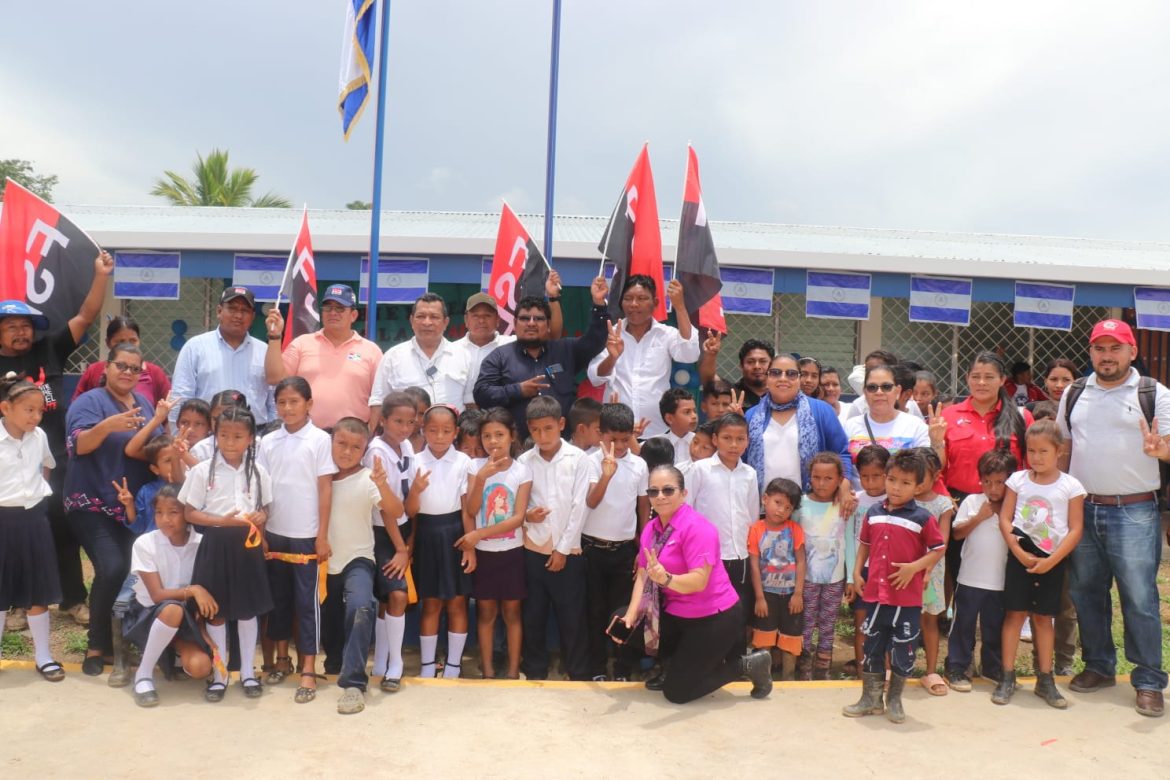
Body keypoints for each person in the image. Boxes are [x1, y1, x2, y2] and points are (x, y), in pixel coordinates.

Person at [1058, 319, 1169, 717]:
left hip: (1135, 510)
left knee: (1139, 598)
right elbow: (1064, 450)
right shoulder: (1074, 393)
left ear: (1132, 352)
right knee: (1087, 592)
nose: (1107, 356)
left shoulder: (1155, 394)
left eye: (1115, 348)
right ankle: (1100, 666)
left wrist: (1161, 451)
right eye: (1099, 349)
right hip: (1083, 509)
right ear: (1091, 353)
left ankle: (1148, 679)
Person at [0, 252, 114, 628]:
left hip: (56, 461)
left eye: (26, 325)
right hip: (9, 464)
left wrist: (100, 275)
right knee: (14, 534)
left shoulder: (50, 348)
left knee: (64, 529)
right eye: (12, 326)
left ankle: (71, 599)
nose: (22, 332)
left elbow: (86, 315)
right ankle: (16, 604)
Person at [616, 465, 773, 703]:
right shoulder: (651, 528)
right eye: (653, 491)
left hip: (713, 618)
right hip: (676, 614)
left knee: (677, 693)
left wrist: (666, 578)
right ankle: (673, 666)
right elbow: (642, 574)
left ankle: (747, 665)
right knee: (620, 622)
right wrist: (630, 615)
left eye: (668, 490)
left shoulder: (698, 528)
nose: (660, 496)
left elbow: (699, 582)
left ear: (683, 493)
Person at [65, 343, 159, 676]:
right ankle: (96, 646)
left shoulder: (146, 405)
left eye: (135, 368)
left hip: (132, 509)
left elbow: (153, 449)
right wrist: (107, 426)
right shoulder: (89, 402)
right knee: (112, 566)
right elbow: (78, 445)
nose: (128, 373)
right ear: (106, 367)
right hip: (91, 504)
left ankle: (124, 643)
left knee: (131, 574)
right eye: (122, 366)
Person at [178, 406, 274, 702]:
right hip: (216, 545)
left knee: (247, 611)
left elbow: (266, 507)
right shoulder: (201, 470)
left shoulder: (258, 470)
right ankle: (220, 675)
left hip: (247, 546)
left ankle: (247, 672)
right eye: (223, 435)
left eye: (237, 436)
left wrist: (260, 516)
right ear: (215, 435)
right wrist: (222, 520)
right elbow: (190, 513)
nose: (230, 442)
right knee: (215, 613)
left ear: (250, 439)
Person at [844, 449, 945, 724]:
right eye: (892, 480)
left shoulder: (922, 518)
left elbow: (938, 548)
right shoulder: (873, 513)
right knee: (872, 646)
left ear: (918, 486)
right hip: (875, 594)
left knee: (903, 648)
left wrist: (915, 567)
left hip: (906, 599)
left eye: (905, 483)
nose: (896, 487)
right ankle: (870, 698)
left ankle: (895, 700)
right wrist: (856, 571)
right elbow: (864, 544)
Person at [992, 420, 1085, 708]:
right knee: (1014, 615)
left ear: (1059, 451)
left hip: (1052, 561)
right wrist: (1018, 552)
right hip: (1020, 557)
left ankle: (1045, 679)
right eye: (1031, 451)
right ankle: (1007, 677)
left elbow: (1075, 529)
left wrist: (1052, 561)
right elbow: (1005, 519)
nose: (1037, 457)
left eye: (1044, 451)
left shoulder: (1071, 486)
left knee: (1044, 619)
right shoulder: (1017, 480)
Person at [935, 353, 1031, 628]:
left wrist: (1013, 505)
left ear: (1002, 380)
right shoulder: (949, 415)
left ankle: (995, 627)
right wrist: (944, 497)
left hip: (1004, 503)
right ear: (967, 378)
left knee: (998, 563)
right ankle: (951, 621)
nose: (981, 382)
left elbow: (1027, 465)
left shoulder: (1020, 418)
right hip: (957, 501)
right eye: (975, 376)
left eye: (989, 377)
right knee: (956, 563)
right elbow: (938, 465)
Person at [257, 376, 336, 703]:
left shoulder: (318, 440)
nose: (287, 408)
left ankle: (307, 667)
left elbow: (324, 489)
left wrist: (321, 535)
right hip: (275, 532)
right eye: (282, 402)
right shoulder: (268, 441)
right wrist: (260, 533)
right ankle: (280, 661)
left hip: (306, 536)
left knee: (307, 606)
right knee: (277, 601)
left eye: (294, 402)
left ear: (309, 404)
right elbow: (261, 489)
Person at [324, 417, 405, 715]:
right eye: (341, 444)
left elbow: (395, 511)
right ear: (330, 442)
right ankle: (334, 662)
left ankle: (354, 684)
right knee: (329, 624)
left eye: (355, 447)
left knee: (361, 607)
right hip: (322, 563)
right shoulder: (320, 476)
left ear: (365, 450)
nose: (347, 452)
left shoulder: (368, 478)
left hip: (358, 560)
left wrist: (383, 485)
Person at [474, 277, 609, 439]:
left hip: (562, 449)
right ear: (515, 324)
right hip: (517, 450)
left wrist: (599, 304)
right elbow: (481, 394)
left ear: (548, 324)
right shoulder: (499, 357)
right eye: (525, 318)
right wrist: (517, 390)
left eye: (538, 319)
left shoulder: (566, 350)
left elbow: (595, 342)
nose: (531, 323)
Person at [517, 396, 591, 681]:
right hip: (533, 548)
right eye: (535, 430)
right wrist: (526, 517)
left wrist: (561, 550)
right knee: (533, 614)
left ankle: (578, 670)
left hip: (568, 552)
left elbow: (579, 507)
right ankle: (535, 669)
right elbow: (515, 505)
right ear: (528, 429)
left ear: (561, 424)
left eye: (548, 428)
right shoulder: (524, 461)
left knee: (572, 615)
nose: (542, 436)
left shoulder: (578, 459)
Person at [454, 408, 531, 679]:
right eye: (487, 436)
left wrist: (478, 535)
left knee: (512, 612)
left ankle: (511, 671)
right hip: (485, 555)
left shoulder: (522, 470)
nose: (493, 441)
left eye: (499, 434)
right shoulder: (474, 467)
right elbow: (472, 510)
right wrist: (483, 478)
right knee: (485, 612)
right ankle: (486, 670)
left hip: (511, 552)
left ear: (512, 436)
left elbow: (519, 517)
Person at [123, 485, 215, 707]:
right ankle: (143, 676)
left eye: (173, 512)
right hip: (149, 614)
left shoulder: (202, 544)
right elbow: (157, 595)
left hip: (186, 618)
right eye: (158, 512)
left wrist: (204, 632)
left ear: (188, 513)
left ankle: (172, 650)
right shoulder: (145, 543)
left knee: (201, 668)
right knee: (172, 608)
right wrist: (192, 590)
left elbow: (207, 599)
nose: (164, 519)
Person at [0, 372, 64, 682]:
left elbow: (46, 467)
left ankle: (43, 656)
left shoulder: (39, 437)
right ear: (5, 408)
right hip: (2, 519)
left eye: (40, 410)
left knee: (39, 591)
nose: (36, 416)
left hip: (34, 520)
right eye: (28, 409)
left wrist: (39, 500)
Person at [581, 403, 649, 681]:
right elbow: (592, 501)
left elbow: (643, 507)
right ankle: (597, 667)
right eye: (613, 439)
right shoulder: (589, 461)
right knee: (594, 611)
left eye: (625, 439)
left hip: (624, 551)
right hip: (592, 549)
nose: (619, 446)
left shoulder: (639, 464)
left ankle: (622, 668)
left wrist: (644, 547)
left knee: (623, 612)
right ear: (601, 434)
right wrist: (606, 475)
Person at [409, 404, 475, 679]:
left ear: (456, 433)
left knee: (457, 602)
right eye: (433, 430)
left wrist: (469, 546)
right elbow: (410, 512)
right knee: (431, 603)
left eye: (446, 431)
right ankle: (426, 665)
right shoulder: (414, 462)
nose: (439, 436)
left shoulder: (463, 462)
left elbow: (467, 508)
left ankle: (454, 666)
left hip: (455, 535)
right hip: (424, 534)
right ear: (423, 431)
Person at [586, 276, 699, 437]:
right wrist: (612, 357)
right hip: (617, 432)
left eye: (642, 298)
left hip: (659, 432)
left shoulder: (666, 334)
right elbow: (595, 377)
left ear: (656, 303)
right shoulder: (611, 332)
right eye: (628, 299)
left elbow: (690, 354)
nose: (634, 304)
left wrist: (679, 307)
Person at [264, 285, 383, 430]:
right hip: (307, 436)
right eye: (328, 307)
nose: (333, 313)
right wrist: (275, 336)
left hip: (352, 440)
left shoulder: (372, 351)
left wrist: (370, 432)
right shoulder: (302, 344)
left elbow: (380, 397)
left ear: (353, 315)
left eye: (340, 308)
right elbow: (274, 378)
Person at [945, 449, 1016, 692]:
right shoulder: (972, 502)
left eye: (999, 482)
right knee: (963, 625)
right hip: (970, 578)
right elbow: (956, 533)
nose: (993, 488)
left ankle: (992, 667)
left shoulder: (1013, 506)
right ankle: (957, 666)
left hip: (1000, 581)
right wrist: (979, 517)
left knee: (994, 626)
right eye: (987, 482)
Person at [359, 392, 416, 690]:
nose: (405, 428)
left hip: (403, 528)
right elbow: (386, 508)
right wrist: (401, 548)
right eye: (397, 421)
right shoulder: (376, 453)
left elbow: (408, 501)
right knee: (396, 595)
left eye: (410, 421)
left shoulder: (406, 446)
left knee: (387, 598)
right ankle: (396, 662)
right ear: (383, 420)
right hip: (385, 533)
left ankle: (381, 660)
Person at [745, 354, 854, 506]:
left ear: (799, 379)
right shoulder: (751, 416)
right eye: (776, 373)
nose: (783, 378)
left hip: (810, 506)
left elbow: (842, 453)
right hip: (764, 509)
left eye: (791, 374)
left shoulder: (821, 411)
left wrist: (844, 487)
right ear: (767, 378)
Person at [685, 412, 759, 616]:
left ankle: (736, 648)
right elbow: (686, 510)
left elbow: (752, 515)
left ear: (747, 441)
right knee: (709, 608)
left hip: (739, 554)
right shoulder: (700, 469)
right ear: (716, 440)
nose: (734, 445)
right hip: (708, 555)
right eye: (727, 438)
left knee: (737, 609)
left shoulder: (750, 474)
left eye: (740, 439)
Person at [170, 286, 275, 425]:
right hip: (207, 435)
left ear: (253, 317)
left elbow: (273, 401)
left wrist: (273, 435)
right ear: (219, 311)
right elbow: (181, 397)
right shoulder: (195, 347)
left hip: (255, 436)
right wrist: (179, 435)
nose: (238, 315)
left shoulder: (265, 351)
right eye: (232, 308)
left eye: (244, 310)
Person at [368, 293, 473, 426]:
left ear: (446, 322)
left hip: (450, 440)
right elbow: (378, 402)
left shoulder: (463, 356)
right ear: (411, 321)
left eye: (434, 317)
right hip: (405, 440)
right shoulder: (393, 357)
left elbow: (470, 403)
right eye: (420, 316)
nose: (427, 322)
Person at [796, 452, 848, 680]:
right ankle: (804, 669)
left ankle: (823, 669)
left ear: (839, 480)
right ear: (810, 477)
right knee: (805, 623)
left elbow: (851, 543)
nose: (821, 483)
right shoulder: (800, 504)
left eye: (828, 478)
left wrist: (853, 578)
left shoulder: (845, 505)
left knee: (828, 624)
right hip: (805, 579)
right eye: (816, 477)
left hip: (834, 579)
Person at [748, 477, 805, 680]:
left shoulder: (794, 530)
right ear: (765, 499)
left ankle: (788, 677)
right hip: (767, 594)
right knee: (764, 635)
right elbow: (754, 565)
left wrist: (798, 593)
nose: (781, 510)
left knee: (791, 636)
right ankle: (763, 677)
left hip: (790, 594)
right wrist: (759, 597)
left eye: (787, 507)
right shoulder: (756, 529)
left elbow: (800, 562)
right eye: (777, 502)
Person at [913, 447, 956, 697]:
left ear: (936, 476)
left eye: (922, 477)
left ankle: (930, 670)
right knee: (902, 620)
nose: (916, 483)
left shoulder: (943, 505)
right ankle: (897, 667)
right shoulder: (902, 500)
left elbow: (942, 542)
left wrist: (926, 569)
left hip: (932, 570)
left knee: (929, 619)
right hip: (905, 570)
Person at [844, 444, 889, 677]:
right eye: (865, 477)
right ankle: (864, 671)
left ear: (887, 474)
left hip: (888, 573)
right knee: (862, 622)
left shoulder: (894, 500)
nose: (870, 482)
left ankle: (887, 671)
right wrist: (853, 574)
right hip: (862, 572)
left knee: (887, 624)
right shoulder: (855, 501)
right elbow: (850, 538)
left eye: (876, 477)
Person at [844, 363, 931, 483]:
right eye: (872, 387)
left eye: (886, 386)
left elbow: (927, 468)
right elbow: (841, 465)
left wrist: (937, 441)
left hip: (902, 500)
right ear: (865, 392)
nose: (879, 392)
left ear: (898, 391)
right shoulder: (849, 426)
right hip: (857, 500)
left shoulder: (916, 425)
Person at [72, 316, 172, 406]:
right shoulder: (94, 371)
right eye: (120, 341)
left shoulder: (155, 373)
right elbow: (76, 407)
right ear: (108, 343)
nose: (127, 346)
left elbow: (169, 412)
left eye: (133, 341)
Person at [114, 434, 180, 536]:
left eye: (180, 457)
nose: (177, 463)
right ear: (155, 469)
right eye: (168, 461)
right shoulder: (147, 491)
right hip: (155, 547)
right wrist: (129, 505)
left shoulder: (191, 486)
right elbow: (139, 527)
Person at [656, 388, 698, 466]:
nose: (694, 416)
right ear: (669, 418)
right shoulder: (656, 444)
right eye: (687, 412)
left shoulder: (703, 444)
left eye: (694, 411)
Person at [733, 339, 774, 413]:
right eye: (750, 362)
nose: (757, 366)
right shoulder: (732, 395)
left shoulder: (781, 394)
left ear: (772, 365)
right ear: (741, 366)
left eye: (763, 361)